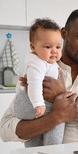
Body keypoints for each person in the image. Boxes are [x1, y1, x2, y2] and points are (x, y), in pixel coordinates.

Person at [0, 8, 78, 145]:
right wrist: (55, 117)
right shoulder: (38, 71)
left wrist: (63, 97)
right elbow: (6, 129)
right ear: (64, 33)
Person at [13, 18, 64, 147]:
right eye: (48, 47)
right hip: (29, 102)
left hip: (32, 104)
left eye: (58, 47)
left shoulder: (46, 61)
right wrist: (38, 104)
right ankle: (52, 149)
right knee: (61, 114)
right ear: (33, 47)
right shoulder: (37, 63)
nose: (54, 51)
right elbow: (34, 84)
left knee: (34, 135)